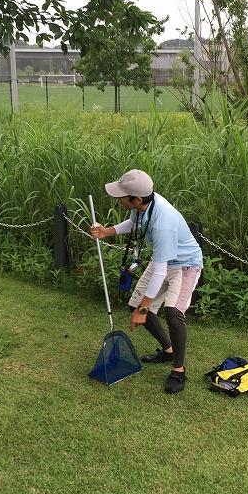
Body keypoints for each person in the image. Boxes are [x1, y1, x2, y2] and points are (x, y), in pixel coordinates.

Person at [90, 169, 203, 394]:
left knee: (172, 312)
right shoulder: (143, 206)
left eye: (122, 196)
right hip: (163, 260)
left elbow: (161, 272)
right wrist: (106, 232)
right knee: (136, 305)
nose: (118, 199)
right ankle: (168, 350)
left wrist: (143, 308)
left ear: (137, 199)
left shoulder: (164, 222)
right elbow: (134, 224)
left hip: (185, 264)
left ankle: (178, 370)